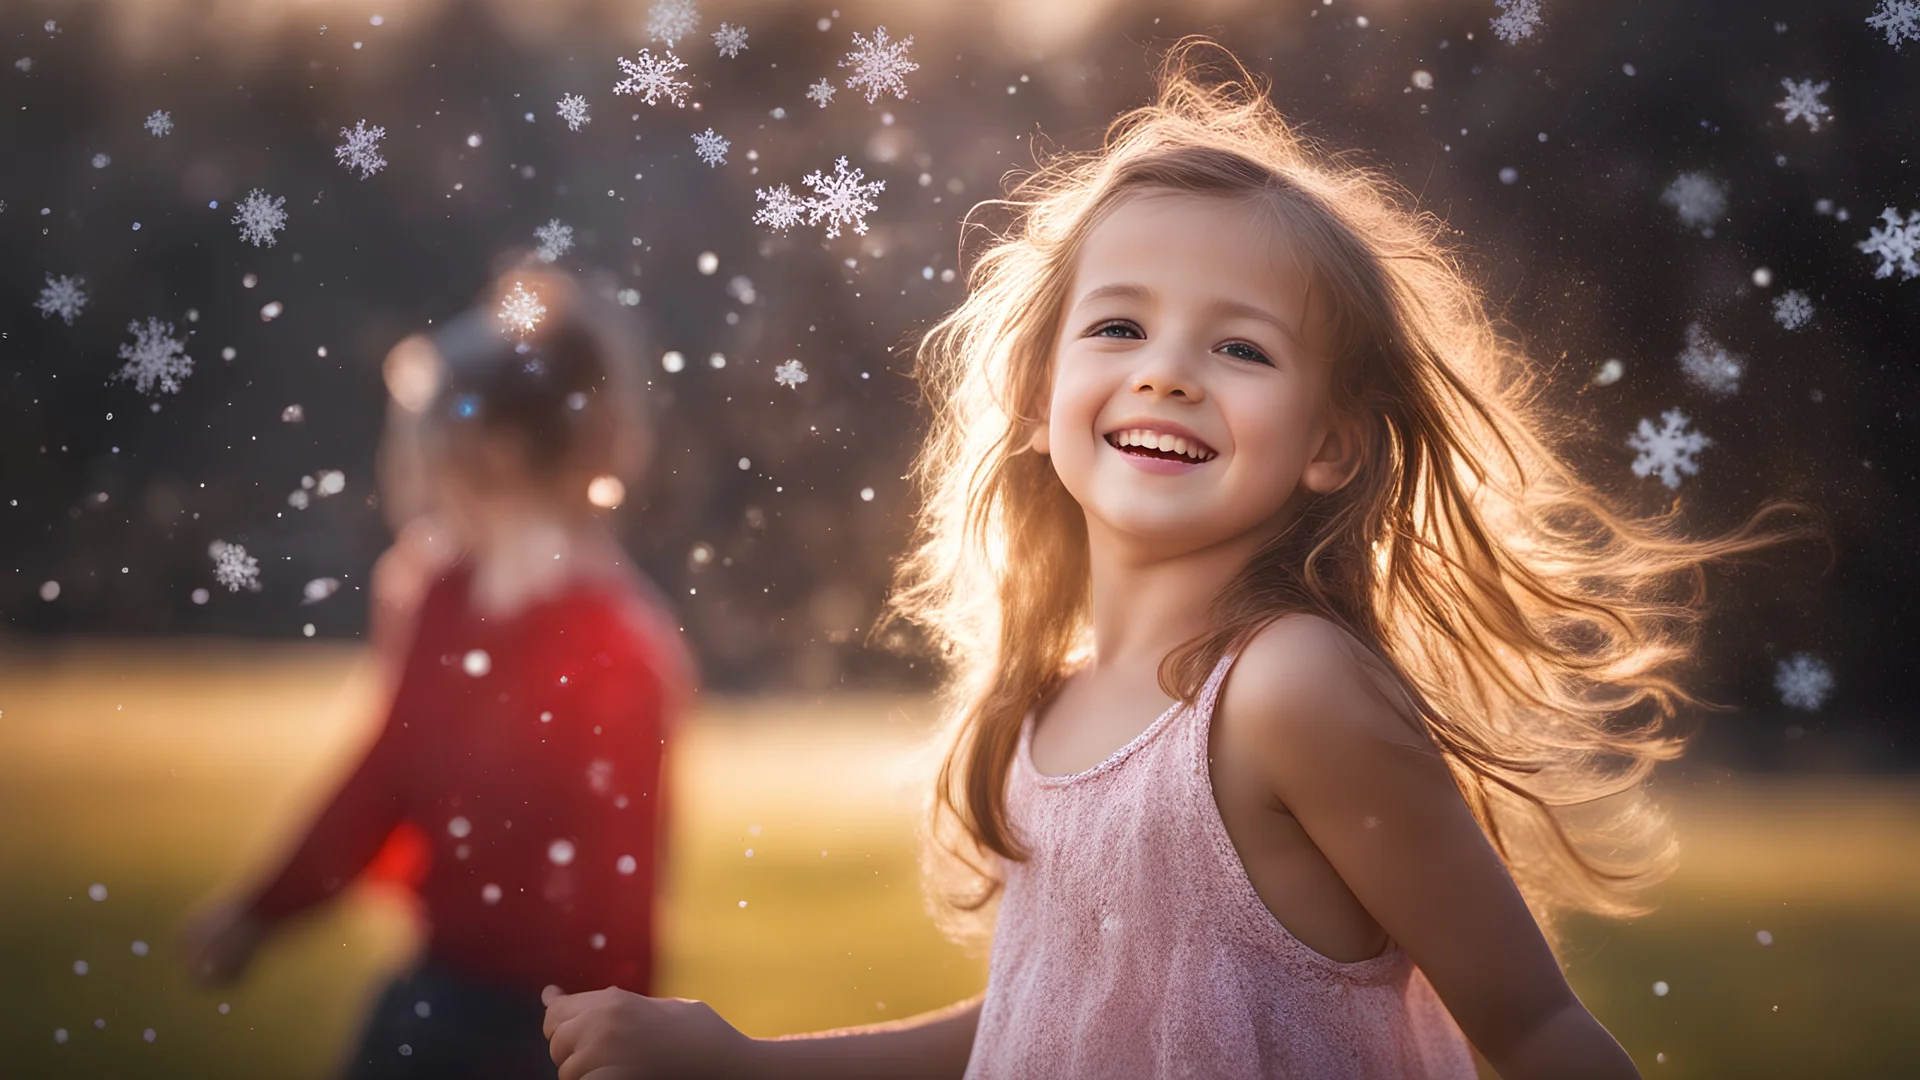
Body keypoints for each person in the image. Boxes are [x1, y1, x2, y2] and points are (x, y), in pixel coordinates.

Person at [541, 40, 1807, 1080]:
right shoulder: (1055, 701)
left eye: (1241, 349)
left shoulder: (1287, 690)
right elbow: (1055, 1028)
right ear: (1037, 397)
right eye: (1121, 324)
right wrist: (743, 1064)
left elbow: (1532, 1029)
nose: (1165, 369)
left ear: (1330, 445)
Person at [182, 266, 696, 1079]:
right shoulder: (438, 596)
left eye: (435, 453)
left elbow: (622, 884)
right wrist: (264, 908)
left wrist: (616, 1033)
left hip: (549, 1028)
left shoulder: (615, 646)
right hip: (436, 996)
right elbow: (386, 774)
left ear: (486, 451)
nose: (419, 488)